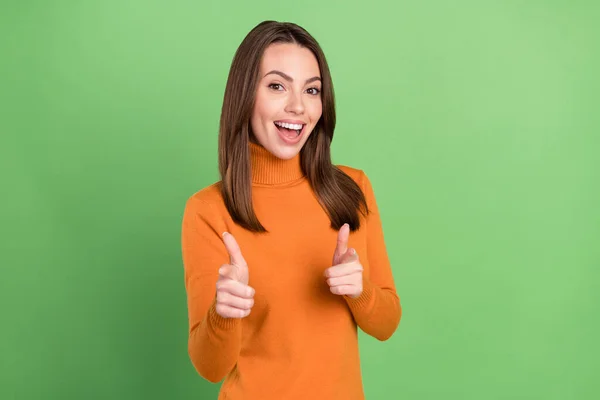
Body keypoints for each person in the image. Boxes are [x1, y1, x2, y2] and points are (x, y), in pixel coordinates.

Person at [181, 20, 402, 400]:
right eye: (277, 86)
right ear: (245, 95)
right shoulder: (208, 210)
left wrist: (360, 292)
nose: (298, 106)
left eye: (312, 90)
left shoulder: (352, 189)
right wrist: (223, 313)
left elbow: (386, 323)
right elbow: (209, 367)